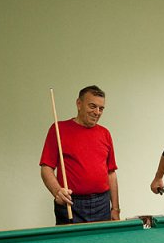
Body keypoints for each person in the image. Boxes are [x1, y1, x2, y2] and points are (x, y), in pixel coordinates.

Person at [40, 85, 120, 225]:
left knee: (102, 239)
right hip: (71, 203)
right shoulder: (58, 129)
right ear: (79, 104)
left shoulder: (105, 133)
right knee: (69, 240)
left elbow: (111, 173)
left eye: (101, 108)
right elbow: (46, 168)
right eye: (92, 106)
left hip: (102, 204)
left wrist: (115, 208)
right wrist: (57, 191)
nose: (97, 112)